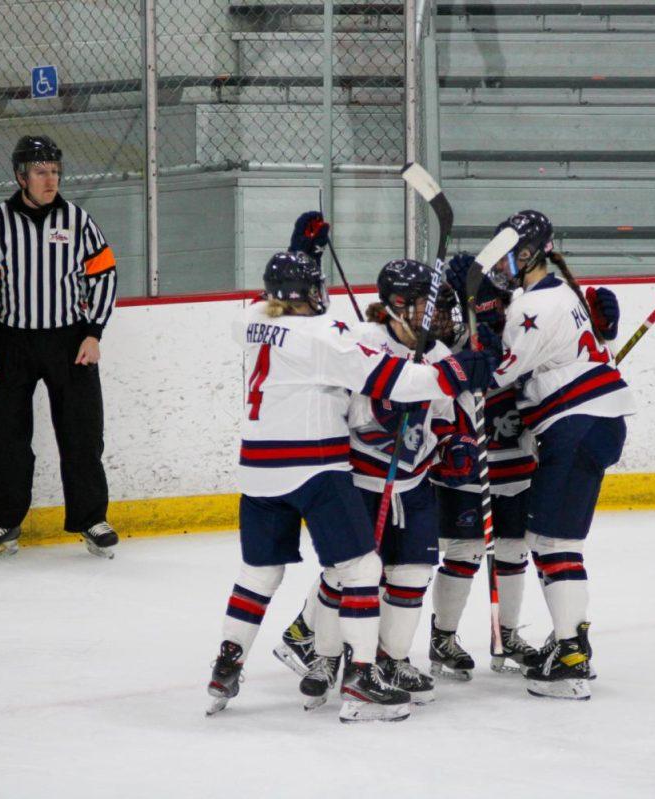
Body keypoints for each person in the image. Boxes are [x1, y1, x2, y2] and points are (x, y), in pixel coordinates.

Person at [206, 250, 496, 723]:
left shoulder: (252, 319)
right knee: (360, 567)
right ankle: (359, 677)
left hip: (257, 468)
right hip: (314, 464)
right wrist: (458, 372)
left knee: (259, 574)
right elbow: (391, 379)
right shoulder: (328, 337)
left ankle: (225, 664)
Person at [484, 210, 629, 701]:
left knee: (552, 541)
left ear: (528, 253)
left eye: (509, 253)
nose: (501, 262)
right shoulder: (558, 295)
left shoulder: (535, 309)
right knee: (547, 537)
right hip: (591, 424)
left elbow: (500, 375)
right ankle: (570, 640)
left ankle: (570, 654)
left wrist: (472, 345)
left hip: (578, 427)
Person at [0, 135, 119, 562]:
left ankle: (91, 519)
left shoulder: (78, 220)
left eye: (54, 171)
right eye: (40, 172)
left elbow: (103, 273)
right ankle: (6, 521)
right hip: (11, 341)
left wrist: (93, 332)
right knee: (5, 436)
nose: (50, 180)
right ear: (20, 176)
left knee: (82, 432)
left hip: (70, 341)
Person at [426, 252, 541, 680]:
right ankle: (443, 637)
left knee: (513, 549)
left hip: (514, 458)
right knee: (464, 550)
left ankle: (505, 635)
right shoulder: (450, 342)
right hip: (470, 464)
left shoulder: (517, 323)